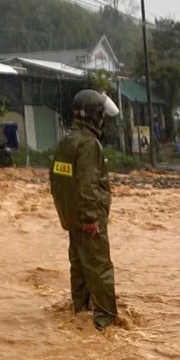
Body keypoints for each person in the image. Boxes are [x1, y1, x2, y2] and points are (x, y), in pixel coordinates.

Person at [49, 89, 121, 330]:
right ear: (94, 115)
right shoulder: (89, 144)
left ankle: (80, 313)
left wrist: (73, 217)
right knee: (100, 268)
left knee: (79, 266)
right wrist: (91, 218)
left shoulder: (67, 141)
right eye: (101, 114)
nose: (103, 119)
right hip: (88, 218)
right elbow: (88, 184)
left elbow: (58, 183)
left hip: (73, 218)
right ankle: (106, 322)